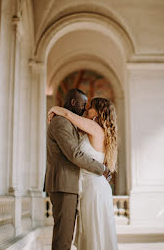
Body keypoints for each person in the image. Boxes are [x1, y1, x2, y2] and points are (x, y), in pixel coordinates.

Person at [48, 96, 118, 250]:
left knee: (93, 231)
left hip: (93, 187)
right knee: (92, 230)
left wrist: (55, 109)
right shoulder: (96, 130)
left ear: (97, 113)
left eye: (91, 107)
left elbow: (69, 116)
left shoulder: (94, 128)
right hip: (91, 186)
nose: (87, 109)